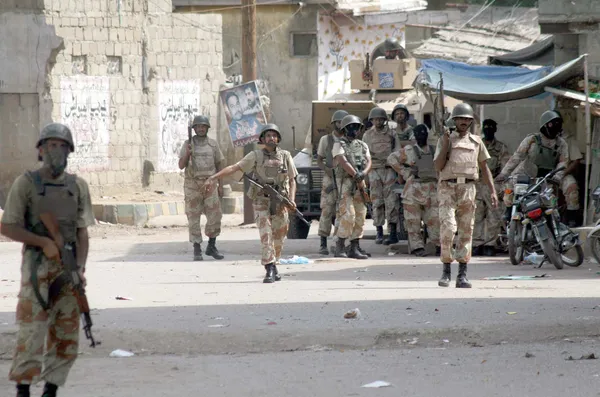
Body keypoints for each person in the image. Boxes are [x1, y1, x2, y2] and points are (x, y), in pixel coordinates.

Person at [1, 123, 95, 397]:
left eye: (62, 145)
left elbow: (82, 231)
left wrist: (79, 267)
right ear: (41, 150)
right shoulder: (26, 183)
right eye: (51, 145)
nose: (56, 150)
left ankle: (51, 388)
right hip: (36, 268)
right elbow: (7, 226)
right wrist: (42, 242)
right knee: (32, 332)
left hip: (67, 268)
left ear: (69, 151)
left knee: (66, 332)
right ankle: (23, 388)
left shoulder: (77, 186)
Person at [204, 124, 297, 283]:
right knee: (266, 234)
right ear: (262, 139)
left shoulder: (285, 156)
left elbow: (292, 180)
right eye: (268, 135)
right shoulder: (255, 155)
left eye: (274, 135)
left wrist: (292, 199)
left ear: (278, 138)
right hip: (261, 201)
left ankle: (274, 265)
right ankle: (269, 268)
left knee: (279, 235)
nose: (271, 138)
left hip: (281, 201)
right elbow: (234, 168)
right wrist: (214, 177)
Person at [434, 103, 498, 288]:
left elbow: (484, 168)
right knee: (447, 228)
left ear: (471, 121)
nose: (463, 121)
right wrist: (446, 142)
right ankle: (446, 271)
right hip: (448, 188)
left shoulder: (477, 142)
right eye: (460, 118)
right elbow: (438, 166)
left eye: (467, 119)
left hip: (468, 189)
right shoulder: (444, 139)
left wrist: (492, 191)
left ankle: (462, 274)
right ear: (454, 120)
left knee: (466, 230)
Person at [495, 110, 578, 227]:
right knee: (510, 186)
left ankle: (555, 226)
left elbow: (563, 163)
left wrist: (557, 177)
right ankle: (509, 211)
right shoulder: (532, 139)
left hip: (548, 177)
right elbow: (517, 157)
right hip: (527, 172)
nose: (555, 126)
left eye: (558, 123)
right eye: (552, 123)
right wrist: (504, 173)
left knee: (550, 203)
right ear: (544, 125)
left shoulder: (561, 144)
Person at [387, 124, 440, 256]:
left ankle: (438, 245)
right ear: (414, 136)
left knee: (435, 220)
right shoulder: (409, 150)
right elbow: (391, 159)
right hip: (413, 190)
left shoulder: (435, 150)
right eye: (418, 134)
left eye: (423, 134)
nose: (421, 136)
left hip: (432, 190)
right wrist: (405, 172)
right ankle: (417, 247)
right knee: (412, 222)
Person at [178, 115, 225, 261]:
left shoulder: (213, 144)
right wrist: (188, 153)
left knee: (215, 216)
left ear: (207, 128)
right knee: (193, 216)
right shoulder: (188, 144)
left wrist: (220, 184)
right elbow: (181, 165)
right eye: (198, 126)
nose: (200, 129)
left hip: (210, 183)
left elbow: (220, 164)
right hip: (192, 185)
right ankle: (197, 248)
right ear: (194, 129)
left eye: (203, 126)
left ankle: (211, 245)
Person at [332, 115, 372, 259]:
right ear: (344, 129)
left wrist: (363, 173)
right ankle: (340, 246)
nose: (354, 130)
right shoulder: (339, 145)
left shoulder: (363, 145)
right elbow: (343, 161)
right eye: (351, 127)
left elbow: (369, 161)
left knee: (361, 215)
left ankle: (354, 247)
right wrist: (356, 174)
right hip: (346, 184)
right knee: (348, 215)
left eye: (356, 127)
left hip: (360, 183)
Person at [472, 119, 510, 256]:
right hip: (476, 186)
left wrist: (496, 185)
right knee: (476, 215)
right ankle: (476, 243)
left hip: (492, 185)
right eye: (486, 127)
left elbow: (505, 168)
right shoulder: (476, 146)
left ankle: (490, 244)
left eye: (491, 127)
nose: (488, 130)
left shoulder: (501, 148)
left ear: (495, 130)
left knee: (493, 216)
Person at [362, 107, 398, 245]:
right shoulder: (367, 135)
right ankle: (379, 232)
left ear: (384, 120)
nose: (378, 121)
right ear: (372, 120)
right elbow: (365, 155)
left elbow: (397, 150)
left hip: (389, 169)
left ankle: (392, 233)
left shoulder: (392, 134)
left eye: (380, 119)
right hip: (374, 170)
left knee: (391, 201)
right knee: (377, 201)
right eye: (375, 119)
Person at [316, 110, 347, 255]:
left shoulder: (348, 139)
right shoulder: (326, 139)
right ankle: (323, 242)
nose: (340, 125)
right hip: (330, 177)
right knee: (327, 210)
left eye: (343, 122)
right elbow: (319, 159)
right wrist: (326, 170)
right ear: (334, 123)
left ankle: (339, 242)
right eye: (338, 122)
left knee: (343, 211)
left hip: (345, 178)